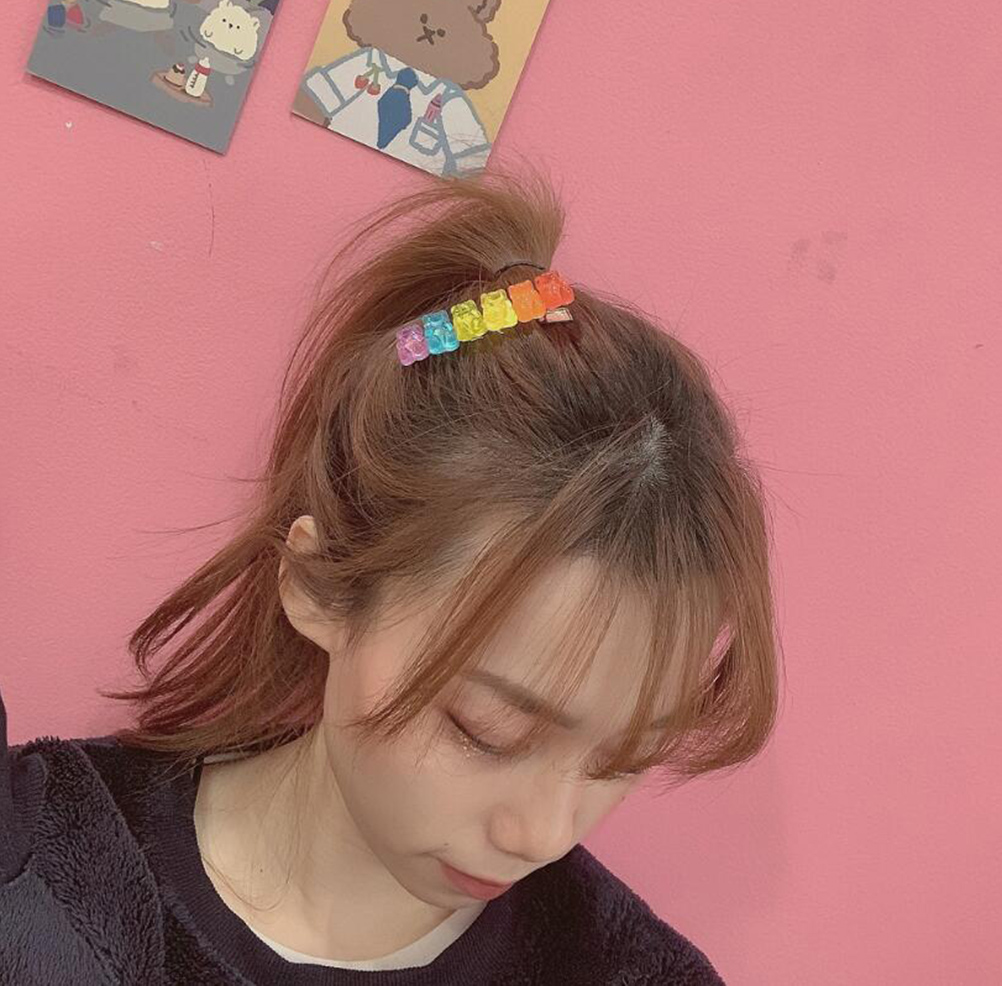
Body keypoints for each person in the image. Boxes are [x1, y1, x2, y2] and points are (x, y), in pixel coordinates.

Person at [0, 168, 781, 985]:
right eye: (486, 731)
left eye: (623, 760)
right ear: (317, 584)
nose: (544, 835)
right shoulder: (40, 872)